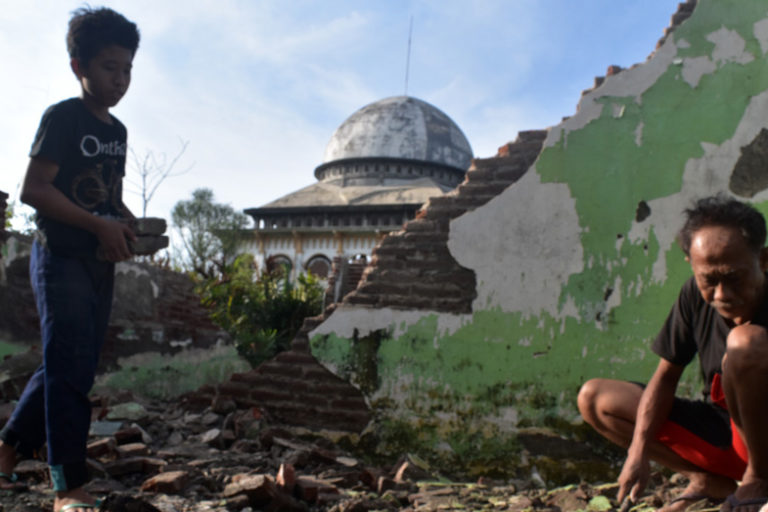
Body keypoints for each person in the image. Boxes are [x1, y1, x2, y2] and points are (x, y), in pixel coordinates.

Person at [0, 7, 139, 512]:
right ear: (78, 66)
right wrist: (99, 224)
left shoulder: (118, 132)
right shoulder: (63, 117)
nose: (120, 79)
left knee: (66, 364)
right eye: (109, 67)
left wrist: (128, 223)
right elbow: (34, 190)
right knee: (71, 374)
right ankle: (68, 487)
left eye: (127, 69)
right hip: (60, 257)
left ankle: (7, 449)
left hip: (99, 261)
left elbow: (108, 196)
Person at [578, 195, 768, 512]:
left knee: (744, 342)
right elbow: (666, 377)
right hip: (728, 435)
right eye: (709, 280)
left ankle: (758, 479)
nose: (721, 294)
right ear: (691, 266)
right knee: (596, 398)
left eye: (734, 277)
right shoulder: (693, 295)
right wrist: (637, 452)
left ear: (763, 260)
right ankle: (707, 480)